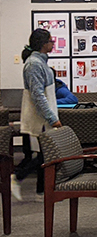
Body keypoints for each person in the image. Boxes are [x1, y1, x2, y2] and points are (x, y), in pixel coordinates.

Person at [11, 29, 63, 201]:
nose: (53, 43)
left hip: (44, 117)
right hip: (40, 118)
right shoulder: (34, 64)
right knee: (44, 155)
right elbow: (38, 95)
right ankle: (18, 177)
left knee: (45, 155)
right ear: (43, 43)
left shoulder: (40, 62)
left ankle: (42, 192)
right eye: (51, 40)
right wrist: (52, 118)